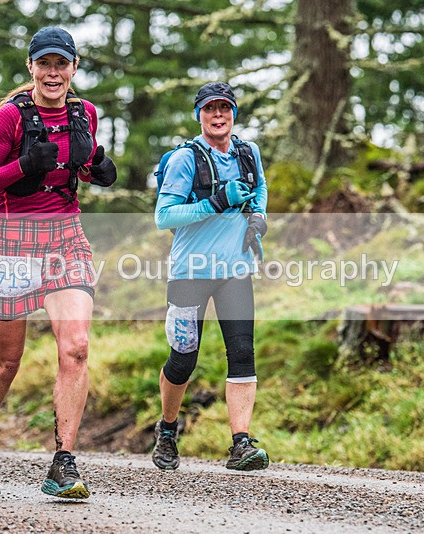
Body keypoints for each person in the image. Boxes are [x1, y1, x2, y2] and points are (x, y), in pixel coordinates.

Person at [0, 26, 117, 500]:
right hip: (12, 242)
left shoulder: (85, 113)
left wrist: (96, 169)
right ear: (31, 67)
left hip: (66, 238)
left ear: (74, 67)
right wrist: (23, 166)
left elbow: (79, 165)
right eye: (44, 63)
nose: (52, 72)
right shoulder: (11, 117)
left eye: (60, 63)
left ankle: (63, 463)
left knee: (77, 348)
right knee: (7, 361)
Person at [151, 82, 269, 471]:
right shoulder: (186, 159)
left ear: (234, 113)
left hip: (235, 269)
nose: (218, 115)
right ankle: (168, 430)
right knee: (184, 356)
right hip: (191, 272)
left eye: (225, 108)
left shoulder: (248, 153)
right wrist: (216, 202)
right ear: (198, 114)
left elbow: (260, 188)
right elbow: (164, 216)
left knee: (243, 352)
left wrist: (258, 216)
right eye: (210, 109)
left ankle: (241, 444)